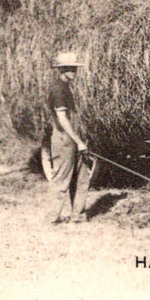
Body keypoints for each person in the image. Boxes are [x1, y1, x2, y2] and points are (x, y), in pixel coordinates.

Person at [47, 52, 93, 222]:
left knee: (82, 177)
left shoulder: (66, 88)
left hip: (73, 138)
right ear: (61, 69)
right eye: (69, 68)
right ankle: (51, 218)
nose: (73, 71)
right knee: (61, 180)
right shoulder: (58, 89)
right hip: (64, 138)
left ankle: (78, 215)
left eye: (74, 68)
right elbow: (63, 120)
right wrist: (79, 142)